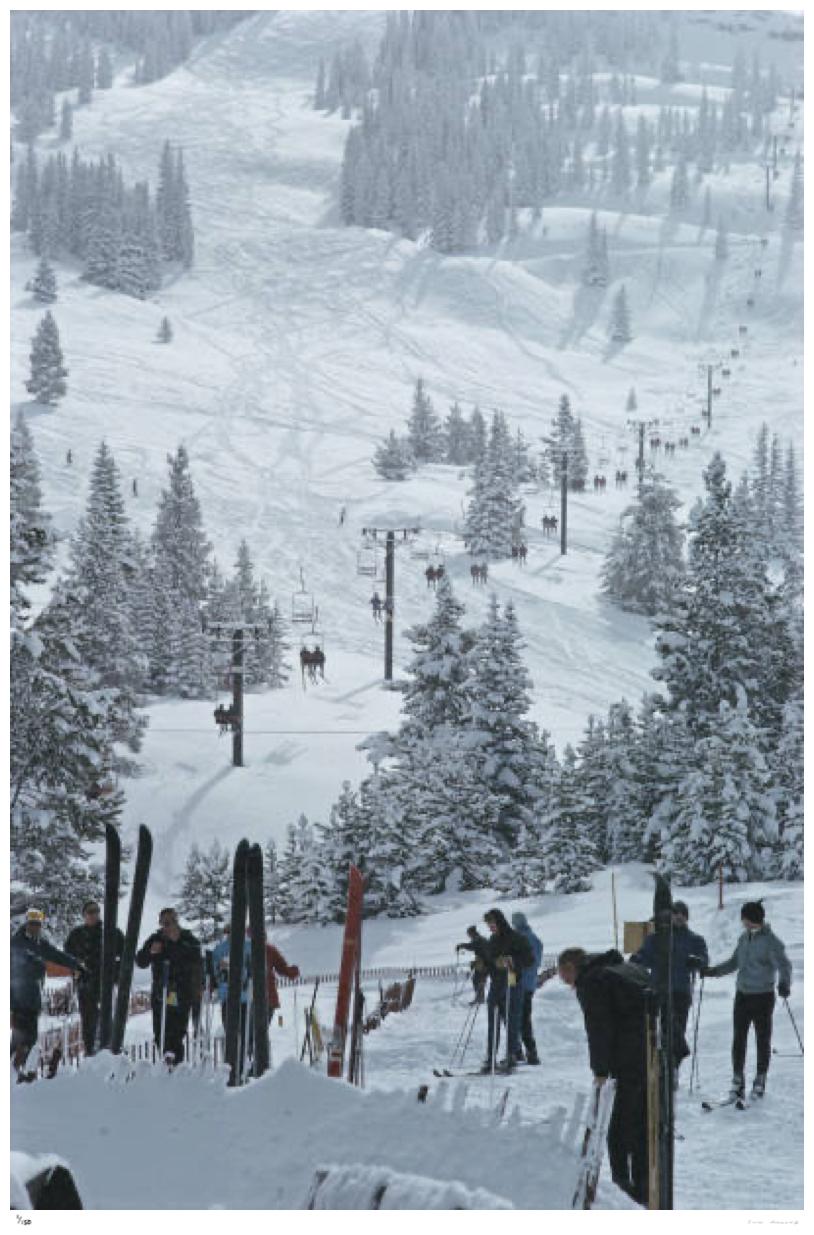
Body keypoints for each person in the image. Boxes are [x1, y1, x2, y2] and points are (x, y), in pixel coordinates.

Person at [558, 945, 651, 1206]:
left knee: (618, 1126)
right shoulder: (613, 971)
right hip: (650, 1053)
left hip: (628, 1057)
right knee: (641, 1122)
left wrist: (600, 1071)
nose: (564, 982)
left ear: (571, 968)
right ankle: (644, 1186)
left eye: (563, 975)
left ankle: (624, 1189)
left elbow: (599, 1028)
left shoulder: (592, 982)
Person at [702, 899, 792, 1100]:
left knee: (762, 1039)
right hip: (742, 995)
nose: (743, 922)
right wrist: (714, 971)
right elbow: (735, 962)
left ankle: (760, 1079)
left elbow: (784, 965)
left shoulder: (771, 942)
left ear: (755, 919)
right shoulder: (744, 939)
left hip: (763, 996)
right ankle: (737, 1081)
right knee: (738, 1039)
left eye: (746, 919)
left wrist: (784, 984)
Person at [631, 899, 708, 1086]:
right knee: (663, 1029)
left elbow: (704, 958)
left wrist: (698, 962)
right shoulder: (657, 938)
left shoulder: (695, 939)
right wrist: (637, 959)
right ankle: (663, 1064)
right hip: (659, 990)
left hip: (681, 990)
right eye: (676, 913)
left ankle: (673, 1066)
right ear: (670, 916)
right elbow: (645, 957)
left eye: (683, 914)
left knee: (677, 1028)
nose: (679, 917)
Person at [11, 909, 82, 1078]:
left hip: (32, 999)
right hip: (17, 999)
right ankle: (17, 1071)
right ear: (26, 924)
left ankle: (16, 1070)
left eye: (38, 924)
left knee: (24, 1037)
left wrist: (77, 965)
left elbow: (57, 955)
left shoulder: (39, 944)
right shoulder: (16, 944)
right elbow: (15, 970)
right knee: (24, 1036)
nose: (35, 927)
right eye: (32, 923)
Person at [135, 907, 200, 1065]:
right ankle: (165, 1061)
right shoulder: (156, 939)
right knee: (161, 1033)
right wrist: (151, 952)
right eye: (164, 924)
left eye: (170, 922)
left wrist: (177, 945)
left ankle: (177, 1064)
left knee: (177, 1032)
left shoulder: (187, 939)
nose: (167, 927)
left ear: (176, 921)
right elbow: (140, 961)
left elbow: (197, 958)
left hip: (182, 992)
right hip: (161, 992)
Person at [65, 900, 125, 1056]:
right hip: (85, 983)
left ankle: (109, 1049)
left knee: (106, 1018)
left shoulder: (111, 932)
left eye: (96, 911)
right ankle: (91, 1051)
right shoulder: (76, 935)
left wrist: (115, 973)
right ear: (84, 915)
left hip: (104, 983)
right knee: (88, 1020)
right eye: (90, 912)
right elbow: (67, 957)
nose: (93, 915)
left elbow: (125, 954)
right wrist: (74, 969)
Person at [479, 909, 534, 1072]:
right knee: (492, 1021)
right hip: (496, 985)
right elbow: (491, 961)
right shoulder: (492, 940)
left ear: (500, 922)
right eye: (488, 924)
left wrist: (511, 961)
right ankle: (491, 1057)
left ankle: (512, 1055)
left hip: (513, 983)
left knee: (512, 1021)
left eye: (492, 923)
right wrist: (483, 966)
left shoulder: (517, 938)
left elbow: (529, 959)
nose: (490, 927)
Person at [245, 928, 300, 1025]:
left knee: (253, 1031)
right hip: (259, 997)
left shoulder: (269, 950)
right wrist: (292, 972)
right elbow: (283, 968)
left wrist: (292, 972)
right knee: (258, 1031)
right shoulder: (268, 950)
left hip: (259, 997)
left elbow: (282, 968)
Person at [511, 912, 542, 1065]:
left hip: (518, 983)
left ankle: (520, 1052)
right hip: (529, 984)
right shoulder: (535, 939)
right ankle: (528, 1051)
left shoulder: (519, 939)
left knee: (515, 1018)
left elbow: (516, 963)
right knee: (524, 1018)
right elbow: (537, 962)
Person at [456, 926, 488, 1004]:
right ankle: (479, 998)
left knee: (478, 980)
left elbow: (472, 947)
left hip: (484, 963)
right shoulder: (478, 939)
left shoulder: (478, 939)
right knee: (476, 980)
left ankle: (480, 999)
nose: (468, 935)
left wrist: (461, 945)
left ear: (472, 933)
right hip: (481, 962)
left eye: (469, 934)